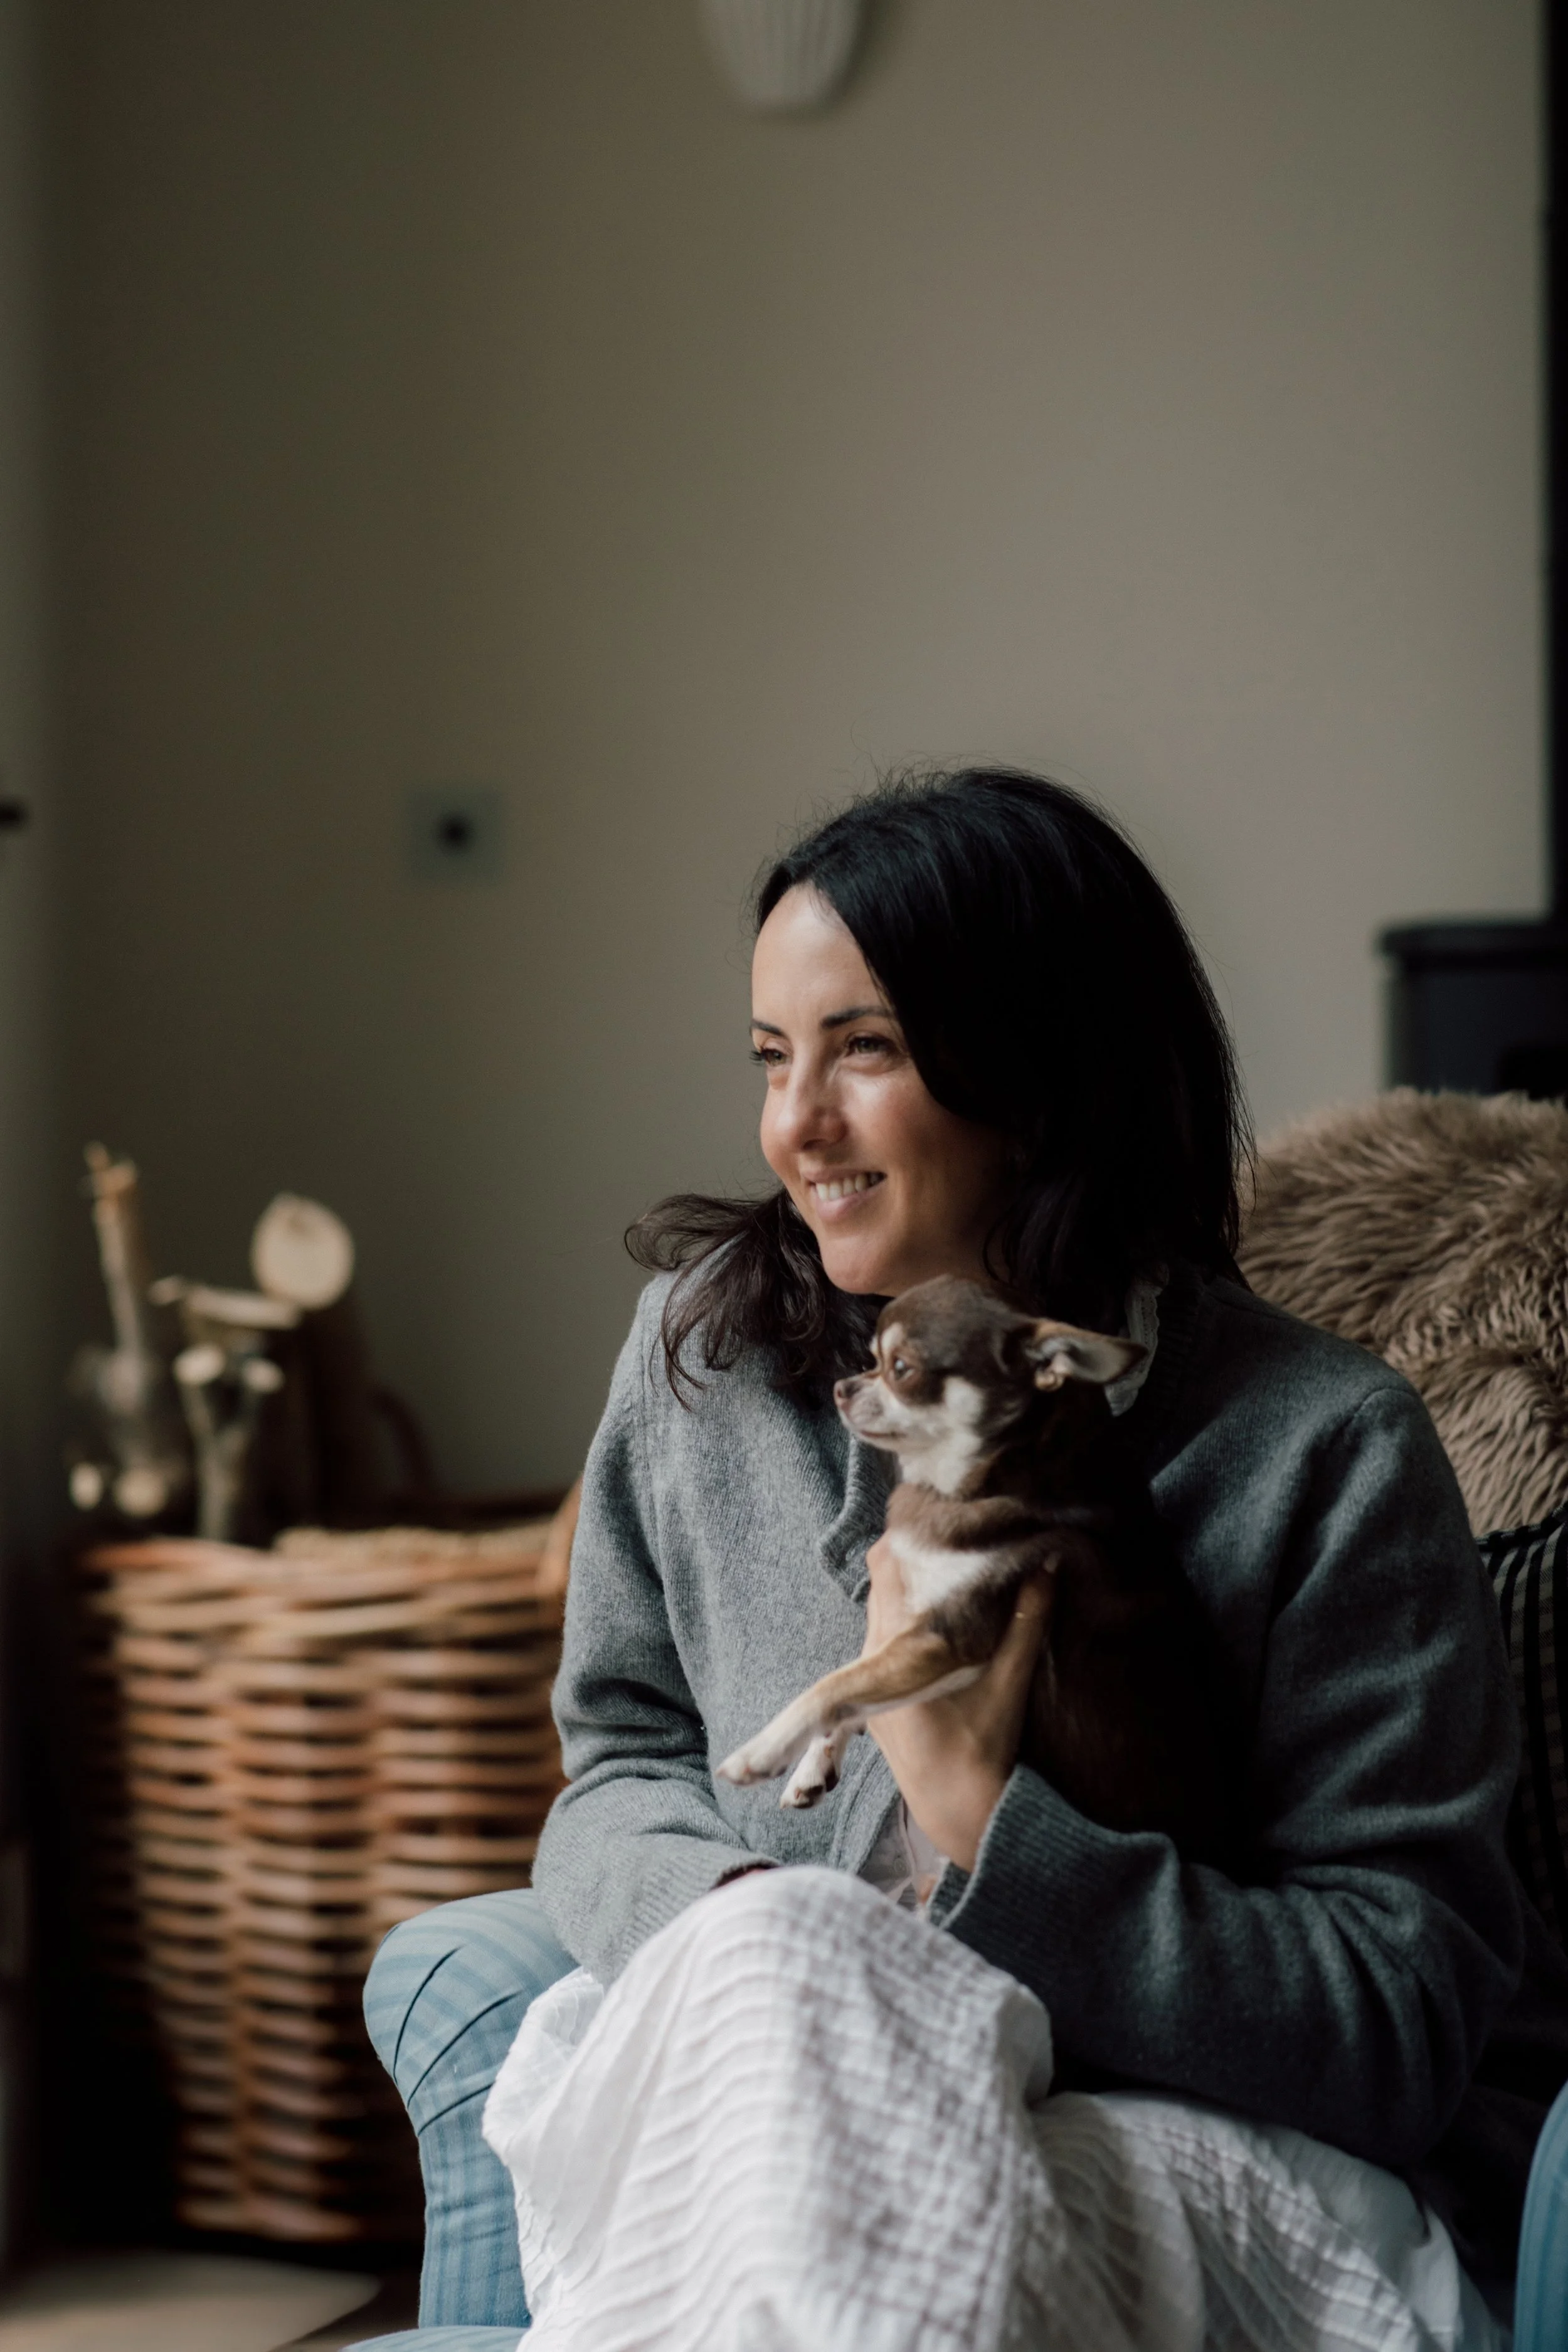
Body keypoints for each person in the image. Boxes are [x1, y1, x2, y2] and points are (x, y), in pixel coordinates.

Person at [366, 770, 1568, 2346]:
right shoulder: (698, 1362)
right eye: (769, 1058)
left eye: (863, 1050)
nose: (794, 1127)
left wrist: (988, 1827)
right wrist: (755, 1942)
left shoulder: (1318, 1445)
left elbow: (1393, 2020)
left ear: (1042, 1078)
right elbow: (617, 1768)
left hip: (1161, 2140)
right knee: (785, 1954)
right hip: (747, 2083)